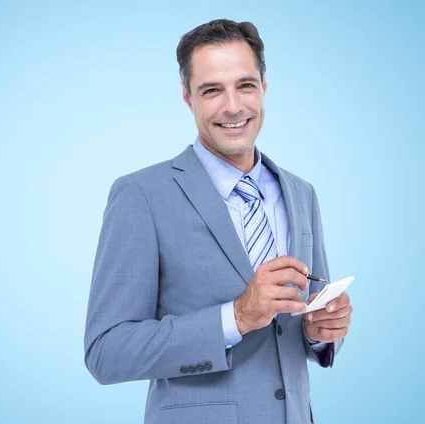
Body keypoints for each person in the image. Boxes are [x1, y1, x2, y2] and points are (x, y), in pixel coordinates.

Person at [84, 18, 353, 424]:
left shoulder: (301, 193)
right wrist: (237, 317)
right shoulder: (141, 194)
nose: (233, 106)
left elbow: (295, 330)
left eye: (245, 85)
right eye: (212, 90)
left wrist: (319, 332)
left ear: (263, 88)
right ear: (188, 98)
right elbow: (106, 352)